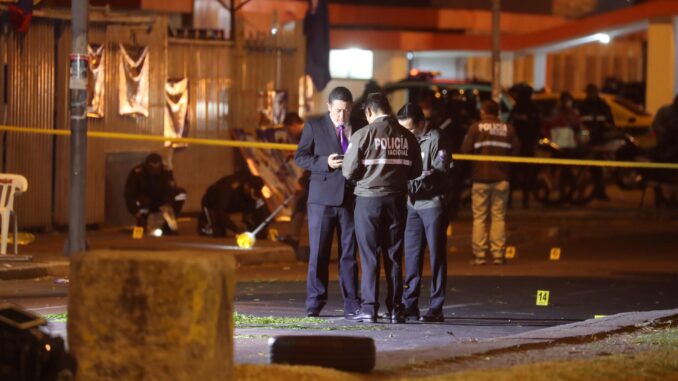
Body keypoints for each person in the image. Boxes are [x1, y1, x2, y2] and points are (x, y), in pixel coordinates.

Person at [343, 93, 422, 323]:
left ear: (369, 112)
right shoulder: (407, 136)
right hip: (397, 200)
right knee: (394, 255)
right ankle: (397, 309)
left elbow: (348, 171)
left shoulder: (363, 134)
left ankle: (369, 308)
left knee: (370, 256)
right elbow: (416, 171)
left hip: (368, 200)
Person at [294, 86, 361, 319]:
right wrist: (325, 162)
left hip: (350, 198)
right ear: (329, 107)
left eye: (345, 111)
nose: (341, 116)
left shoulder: (360, 126)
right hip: (321, 199)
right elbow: (301, 156)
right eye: (337, 111)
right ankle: (315, 302)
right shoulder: (315, 126)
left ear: (351, 108)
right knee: (319, 253)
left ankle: (352, 303)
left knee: (349, 254)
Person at [398, 103, 450, 323]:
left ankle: (436, 307)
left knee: (436, 256)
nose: (406, 133)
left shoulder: (436, 138)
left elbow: (438, 173)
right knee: (411, 257)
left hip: (432, 205)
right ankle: (410, 305)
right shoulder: (404, 138)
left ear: (421, 124)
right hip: (412, 206)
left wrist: (409, 182)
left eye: (410, 128)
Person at [462, 100, 520, 265]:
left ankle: (479, 256)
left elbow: (465, 150)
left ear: (483, 112)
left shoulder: (475, 127)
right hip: (501, 178)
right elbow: (517, 151)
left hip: (480, 178)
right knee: (499, 217)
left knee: (479, 217)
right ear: (498, 113)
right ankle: (498, 255)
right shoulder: (508, 128)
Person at [124, 153, 186, 234]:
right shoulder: (138, 172)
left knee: (181, 194)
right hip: (145, 202)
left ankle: (168, 225)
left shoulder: (165, 171)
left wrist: (168, 204)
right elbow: (130, 193)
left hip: (161, 200)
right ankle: (141, 224)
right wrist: (135, 211)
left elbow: (171, 189)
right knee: (143, 201)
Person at [197, 170, 269, 238]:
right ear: (246, 186)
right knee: (218, 233)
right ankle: (204, 224)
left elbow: (261, 208)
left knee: (258, 230)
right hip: (212, 205)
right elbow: (221, 210)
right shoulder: (228, 187)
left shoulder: (252, 190)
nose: (254, 194)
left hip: (231, 204)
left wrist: (261, 228)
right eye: (252, 192)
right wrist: (236, 229)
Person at [579, 84, 615, 200]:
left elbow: (610, 123)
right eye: (589, 92)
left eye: (593, 92)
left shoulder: (603, 106)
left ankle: (600, 192)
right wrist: (584, 138)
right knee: (583, 168)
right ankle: (581, 193)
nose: (591, 94)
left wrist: (606, 130)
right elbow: (579, 124)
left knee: (598, 168)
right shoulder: (582, 106)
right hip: (587, 141)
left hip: (600, 141)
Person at [508, 84, 541, 208]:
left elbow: (536, 127)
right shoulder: (518, 107)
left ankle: (523, 200)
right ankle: (516, 200)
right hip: (521, 145)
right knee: (515, 173)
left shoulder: (530, 108)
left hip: (525, 145)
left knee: (522, 173)